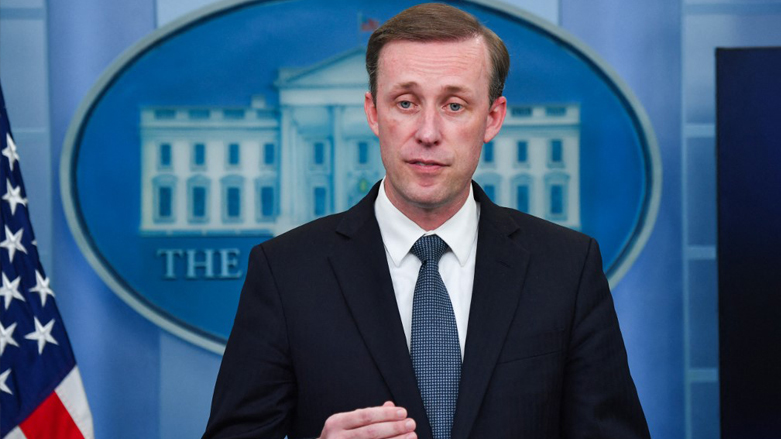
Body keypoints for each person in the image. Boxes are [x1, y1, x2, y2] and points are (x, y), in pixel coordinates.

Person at [202, 3, 651, 439]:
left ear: (492, 119)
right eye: (405, 103)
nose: (428, 132)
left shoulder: (567, 269)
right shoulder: (285, 272)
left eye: (454, 105)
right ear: (373, 113)